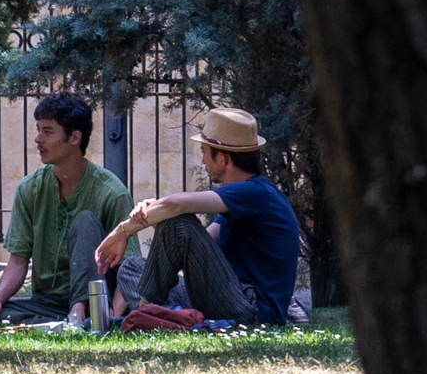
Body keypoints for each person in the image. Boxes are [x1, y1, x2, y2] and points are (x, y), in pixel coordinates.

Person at [94, 108, 304, 326]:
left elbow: (178, 209)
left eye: (204, 151)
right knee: (133, 267)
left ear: (222, 158)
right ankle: (166, 317)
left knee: (179, 221)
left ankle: (147, 317)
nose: (203, 161)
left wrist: (123, 231)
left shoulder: (256, 193)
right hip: (229, 298)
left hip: (252, 310)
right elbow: (198, 243)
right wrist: (160, 215)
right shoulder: (243, 198)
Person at [0, 92, 138, 326]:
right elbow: (18, 261)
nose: (38, 139)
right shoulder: (30, 188)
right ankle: (65, 324)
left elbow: (130, 268)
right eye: (38, 129)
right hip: (47, 302)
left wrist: (112, 318)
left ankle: (81, 314)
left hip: (98, 302)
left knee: (86, 221)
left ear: (75, 137)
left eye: (47, 132)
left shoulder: (111, 193)